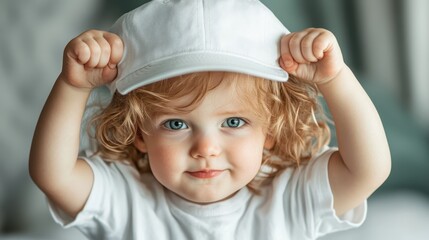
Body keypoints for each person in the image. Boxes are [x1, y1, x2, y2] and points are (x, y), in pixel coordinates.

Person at [29, 0, 391, 239]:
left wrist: (335, 79)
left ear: (269, 130)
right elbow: (53, 175)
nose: (206, 149)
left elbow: (368, 170)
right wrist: (73, 87)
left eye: (233, 122)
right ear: (139, 133)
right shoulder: (126, 201)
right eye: (176, 124)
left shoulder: (287, 200)